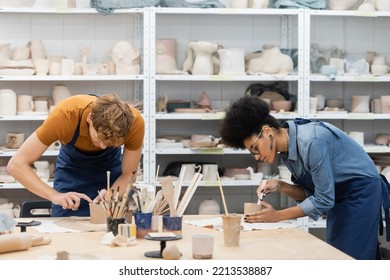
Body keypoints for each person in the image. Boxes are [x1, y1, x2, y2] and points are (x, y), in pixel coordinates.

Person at [219, 95, 390, 260]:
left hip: (361, 192)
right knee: (339, 253)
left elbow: (323, 200)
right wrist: (280, 185)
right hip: (339, 196)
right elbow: (311, 194)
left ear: (267, 131)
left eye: (255, 148)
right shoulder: (286, 149)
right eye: (251, 152)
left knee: (351, 258)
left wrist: (277, 216)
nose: (256, 156)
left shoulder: (311, 142)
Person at [7, 93, 145, 217]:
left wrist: (111, 195)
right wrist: (54, 196)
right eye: (100, 139)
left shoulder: (135, 123)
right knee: (64, 232)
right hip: (72, 170)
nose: (103, 147)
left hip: (110, 174)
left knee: (111, 230)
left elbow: (128, 174)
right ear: (90, 118)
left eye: (111, 143)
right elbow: (16, 165)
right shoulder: (65, 115)